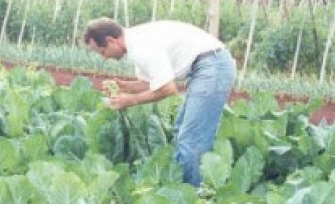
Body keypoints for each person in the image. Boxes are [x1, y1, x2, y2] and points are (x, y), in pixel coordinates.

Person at [83, 18, 236, 186]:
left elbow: (168, 89)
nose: (105, 58)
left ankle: (192, 195)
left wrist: (130, 100)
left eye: (102, 52)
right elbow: (153, 82)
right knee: (181, 132)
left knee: (191, 138)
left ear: (111, 41)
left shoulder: (141, 47)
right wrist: (124, 87)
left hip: (213, 64)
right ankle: (186, 187)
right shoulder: (134, 43)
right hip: (207, 65)